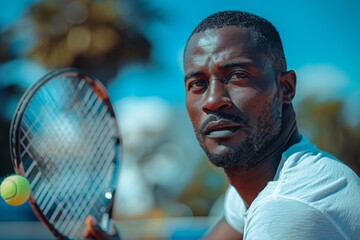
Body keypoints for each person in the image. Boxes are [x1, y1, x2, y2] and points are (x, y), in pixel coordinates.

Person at [84, 10, 360, 240]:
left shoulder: (286, 210)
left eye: (237, 76)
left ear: (285, 88)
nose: (213, 101)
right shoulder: (269, 179)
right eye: (198, 84)